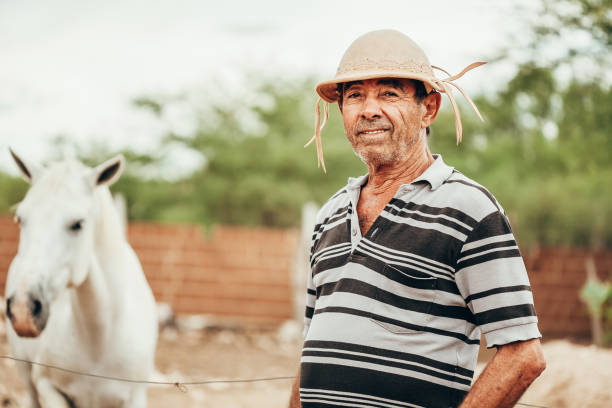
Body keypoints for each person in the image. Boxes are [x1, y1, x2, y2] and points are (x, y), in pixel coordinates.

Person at [289, 30, 545, 408]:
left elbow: (523, 355)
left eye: (389, 94)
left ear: (429, 109)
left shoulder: (469, 209)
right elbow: (314, 347)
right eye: (355, 95)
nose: (369, 109)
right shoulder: (329, 216)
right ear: (341, 110)